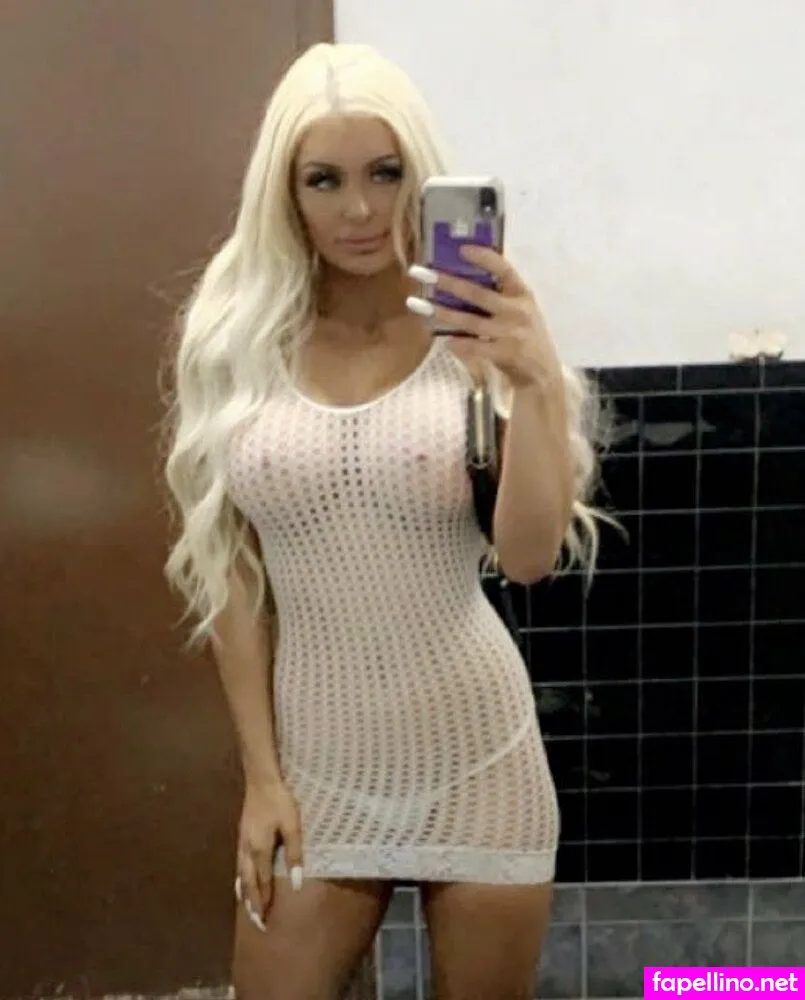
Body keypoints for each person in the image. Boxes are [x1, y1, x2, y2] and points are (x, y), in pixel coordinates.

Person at [164, 41, 605, 1000]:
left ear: (420, 173)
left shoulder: (476, 328)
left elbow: (528, 557)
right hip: (315, 777)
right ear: (284, 192)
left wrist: (533, 382)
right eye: (324, 180)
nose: (359, 210)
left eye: (385, 172)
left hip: (480, 755)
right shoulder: (236, 340)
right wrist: (262, 780)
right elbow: (230, 577)